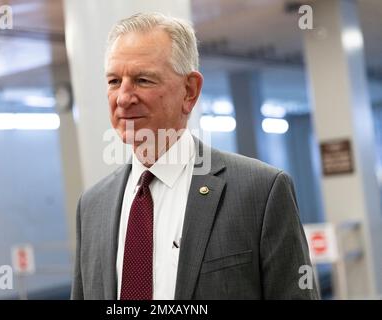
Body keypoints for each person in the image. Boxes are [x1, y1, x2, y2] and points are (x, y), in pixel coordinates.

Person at [71, 12, 318, 300]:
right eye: (114, 81)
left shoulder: (261, 192)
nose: (123, 98)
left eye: (142, 80)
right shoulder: (92, 206)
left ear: (190, 91)